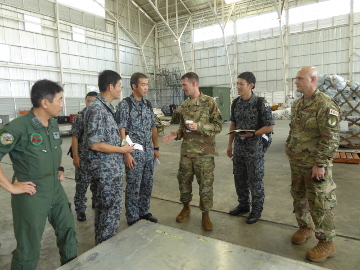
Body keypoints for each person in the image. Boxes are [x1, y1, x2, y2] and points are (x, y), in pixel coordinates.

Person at [0, 79, 77, 269]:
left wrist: (59, 168)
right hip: (31, 193)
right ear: (45, 102)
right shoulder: (17, 128)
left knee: (68, 232)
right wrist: (10, 186)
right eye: (59, 100)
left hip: (55, 189)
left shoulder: (51, 124)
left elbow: (54, 149)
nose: (62, 104)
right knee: (29, 245)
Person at [285, 66, 340, 262]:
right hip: (297, 162)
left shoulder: (325, 105)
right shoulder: (299, 104)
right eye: (296, 78)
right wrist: (289, 147)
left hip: (315, 165)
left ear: (313, 79)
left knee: (319, 201)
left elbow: (331, 138)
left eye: (300, 78)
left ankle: (327, 242)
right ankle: (305, 227)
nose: (296, 81)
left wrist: (320, 163)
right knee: (299, 196)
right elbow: (294, 130)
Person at [162, 72, 222, 231]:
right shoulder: (185, 106)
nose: (183, 88)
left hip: (205, 153)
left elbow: (218, 126)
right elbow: (183, 128)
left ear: (194, 84)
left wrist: (200, 127)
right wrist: (176, 134)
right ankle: (186, 207)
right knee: (183, 182)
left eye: (184, 85)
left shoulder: (209, 103)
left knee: (205, 185)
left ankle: (206, 214)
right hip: (187, 152)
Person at [84, 70, 134, 245]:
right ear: (111, 86)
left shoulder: (106, 108)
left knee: (105, 214)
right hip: (106, 173)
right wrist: (122, 150)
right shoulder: (98, 109)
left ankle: (102, 249)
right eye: (119, 86)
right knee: (109, 215)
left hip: (110, 171)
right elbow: (95, 144)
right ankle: (106, 253)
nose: (121, 90)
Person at [227, 72, 274, 224]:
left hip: (255, 148)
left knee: (255, 180)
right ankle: (243, 205)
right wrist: (230, 145)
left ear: (251, 85)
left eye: (241, 84)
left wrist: (253, 134)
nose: (238, 87)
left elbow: (269, 126)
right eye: (237, 83)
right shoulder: (236, 103)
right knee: (239, 178)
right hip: (239, 148)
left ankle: (256, 210)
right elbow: (233, 124)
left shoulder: (260, 102)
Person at [116, 72, 159, 226]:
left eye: (147, 84)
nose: (146, 87)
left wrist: (156, 147)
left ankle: (144, 211)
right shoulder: (125, 104)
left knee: (147, 184)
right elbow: (122, 130)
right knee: (134, 185)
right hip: (134, 153)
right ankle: (132, 217)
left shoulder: (147, 105)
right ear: (134, 86)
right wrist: (126, 152)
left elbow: (153, 127)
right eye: (143, 84)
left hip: (148, 153)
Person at [71, 91, 97, 222]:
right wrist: (76, 156)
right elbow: (75, 138)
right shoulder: (79, 118)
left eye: (93, 101)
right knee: (81, 185)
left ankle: (95, 202)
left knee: (96, 184)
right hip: (83, 157)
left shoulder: (99, 116)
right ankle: (80, 209)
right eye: (88, 101)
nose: (90, 104)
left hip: (97, 159)